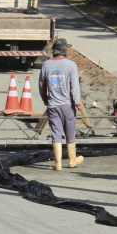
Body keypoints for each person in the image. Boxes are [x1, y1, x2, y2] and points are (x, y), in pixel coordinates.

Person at [39, 38, 84, 171]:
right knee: (70, 133)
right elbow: (74, 86)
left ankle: (58, 164)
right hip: (67, 105)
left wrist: (45, 100)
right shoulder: (71, 65)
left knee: (56, 134)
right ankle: (72, 160)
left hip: (53, 105)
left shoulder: (46, 65)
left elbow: (42, 85)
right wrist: (78, 103)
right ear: (64, 51)